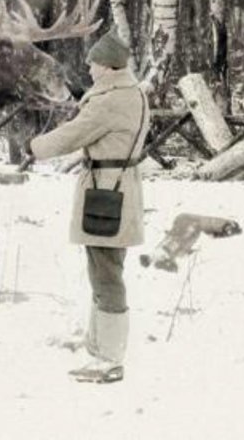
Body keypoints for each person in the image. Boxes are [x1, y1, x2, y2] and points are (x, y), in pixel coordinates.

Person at [28, 27, 149, 384]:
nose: (89, 68)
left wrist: (34, 148)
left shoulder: (110, 100)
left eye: (94, 63)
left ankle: (109, 359)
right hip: (120, 188)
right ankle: (99, 348)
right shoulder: (132, 93)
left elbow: (72, 135)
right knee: (104, 268)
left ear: (109, 67)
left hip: (106, 191)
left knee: (106, 275)